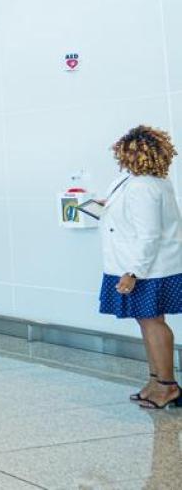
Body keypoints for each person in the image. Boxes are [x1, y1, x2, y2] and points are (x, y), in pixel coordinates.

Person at [99, 125, 182, 410]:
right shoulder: (134, 181)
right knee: (146, 321)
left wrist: (133, 272)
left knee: (152, 322)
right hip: (138, 263)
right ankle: (155, 381)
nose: (123, 157)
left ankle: (167, 386)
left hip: (147, 267)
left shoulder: (144, 186)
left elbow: (149, 235)